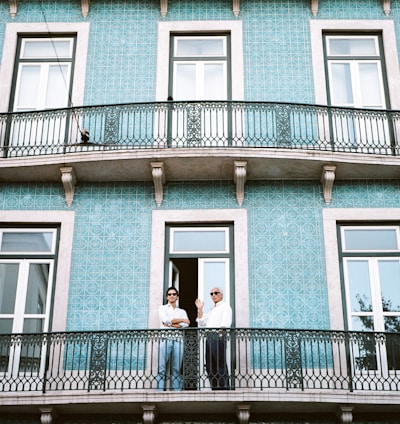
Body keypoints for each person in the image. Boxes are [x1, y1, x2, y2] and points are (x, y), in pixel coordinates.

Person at [195, 287, 232, 390]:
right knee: (210, 365)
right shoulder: (212, 310)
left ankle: (224, 388)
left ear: (221, 295)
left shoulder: (225, 307)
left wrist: (220, 336)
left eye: (216, 293)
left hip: (218, 336)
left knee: (220, 363)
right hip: (209, 337)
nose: (213, 295)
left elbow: (225, 323)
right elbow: (201, 322)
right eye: (211, 293)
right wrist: (200, 309)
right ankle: (215, 388)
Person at [157, 287, 190, 391]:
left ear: (177, 296)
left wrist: (171, 324)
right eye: (170, 294)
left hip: (178, 340)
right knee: (161, 368)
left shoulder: (182, 311)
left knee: (176, 368)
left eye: (174, 294)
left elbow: (186, 324)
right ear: (167, 296)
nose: (172, 296)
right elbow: (165, 320)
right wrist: (181, 320)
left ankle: (177, 391)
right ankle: (159, 392)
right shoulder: (162, 308)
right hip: (165, 339)